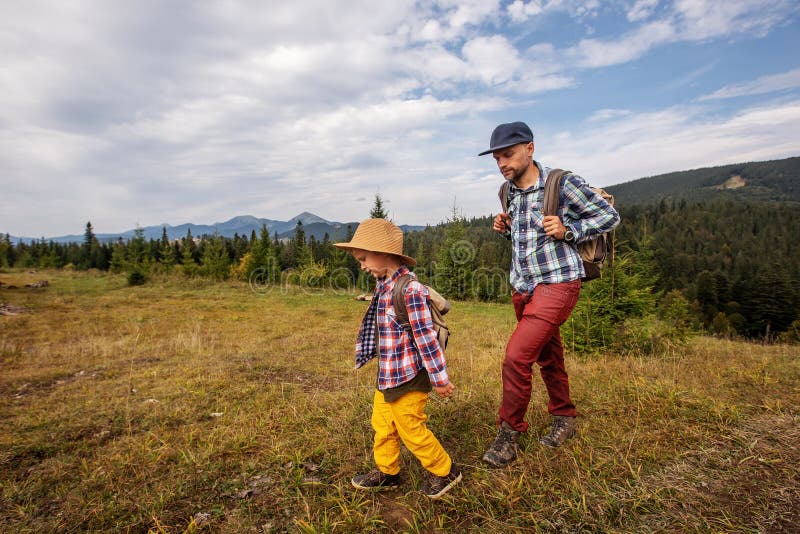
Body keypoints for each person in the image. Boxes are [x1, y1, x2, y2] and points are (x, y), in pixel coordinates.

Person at [478, 121, 620, 467]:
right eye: (497, 158)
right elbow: (524, 240)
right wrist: (505, 229)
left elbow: (609, 215)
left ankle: (509, 435)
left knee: (516, 358)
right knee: (548, 356)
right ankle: (565, 418)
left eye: (508, 155)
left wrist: (569, 229)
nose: (502, 164)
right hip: (524, 286)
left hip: (558, 284)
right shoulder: (507, 191)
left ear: (530, 148)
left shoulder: (562, 183)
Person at [334, 218, 462, 499]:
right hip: (388, 375)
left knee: (410, 427)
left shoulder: (410, 290)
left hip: (409, 377)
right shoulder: (383, 286)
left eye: (364, 258)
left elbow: (425, 338)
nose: (362, 265)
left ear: (384, 254)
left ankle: (445, 470)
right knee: (382, 424)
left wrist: (440, 379)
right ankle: (388, 471)